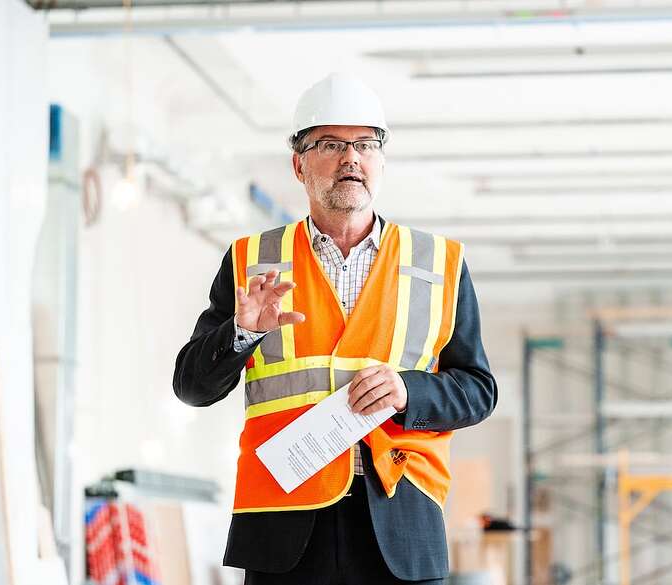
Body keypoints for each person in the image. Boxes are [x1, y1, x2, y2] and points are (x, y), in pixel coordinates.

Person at [173, 73, 497, 585]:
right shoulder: (251, 262)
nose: (351, 158)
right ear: (299, 164)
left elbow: (478, 391)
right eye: (330, 144)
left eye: (365, 144)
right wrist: (240, 333)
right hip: (284, 528)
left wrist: (407, 390)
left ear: (382, 161)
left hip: (401, 520)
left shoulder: (439, 265)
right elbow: (191, 387)